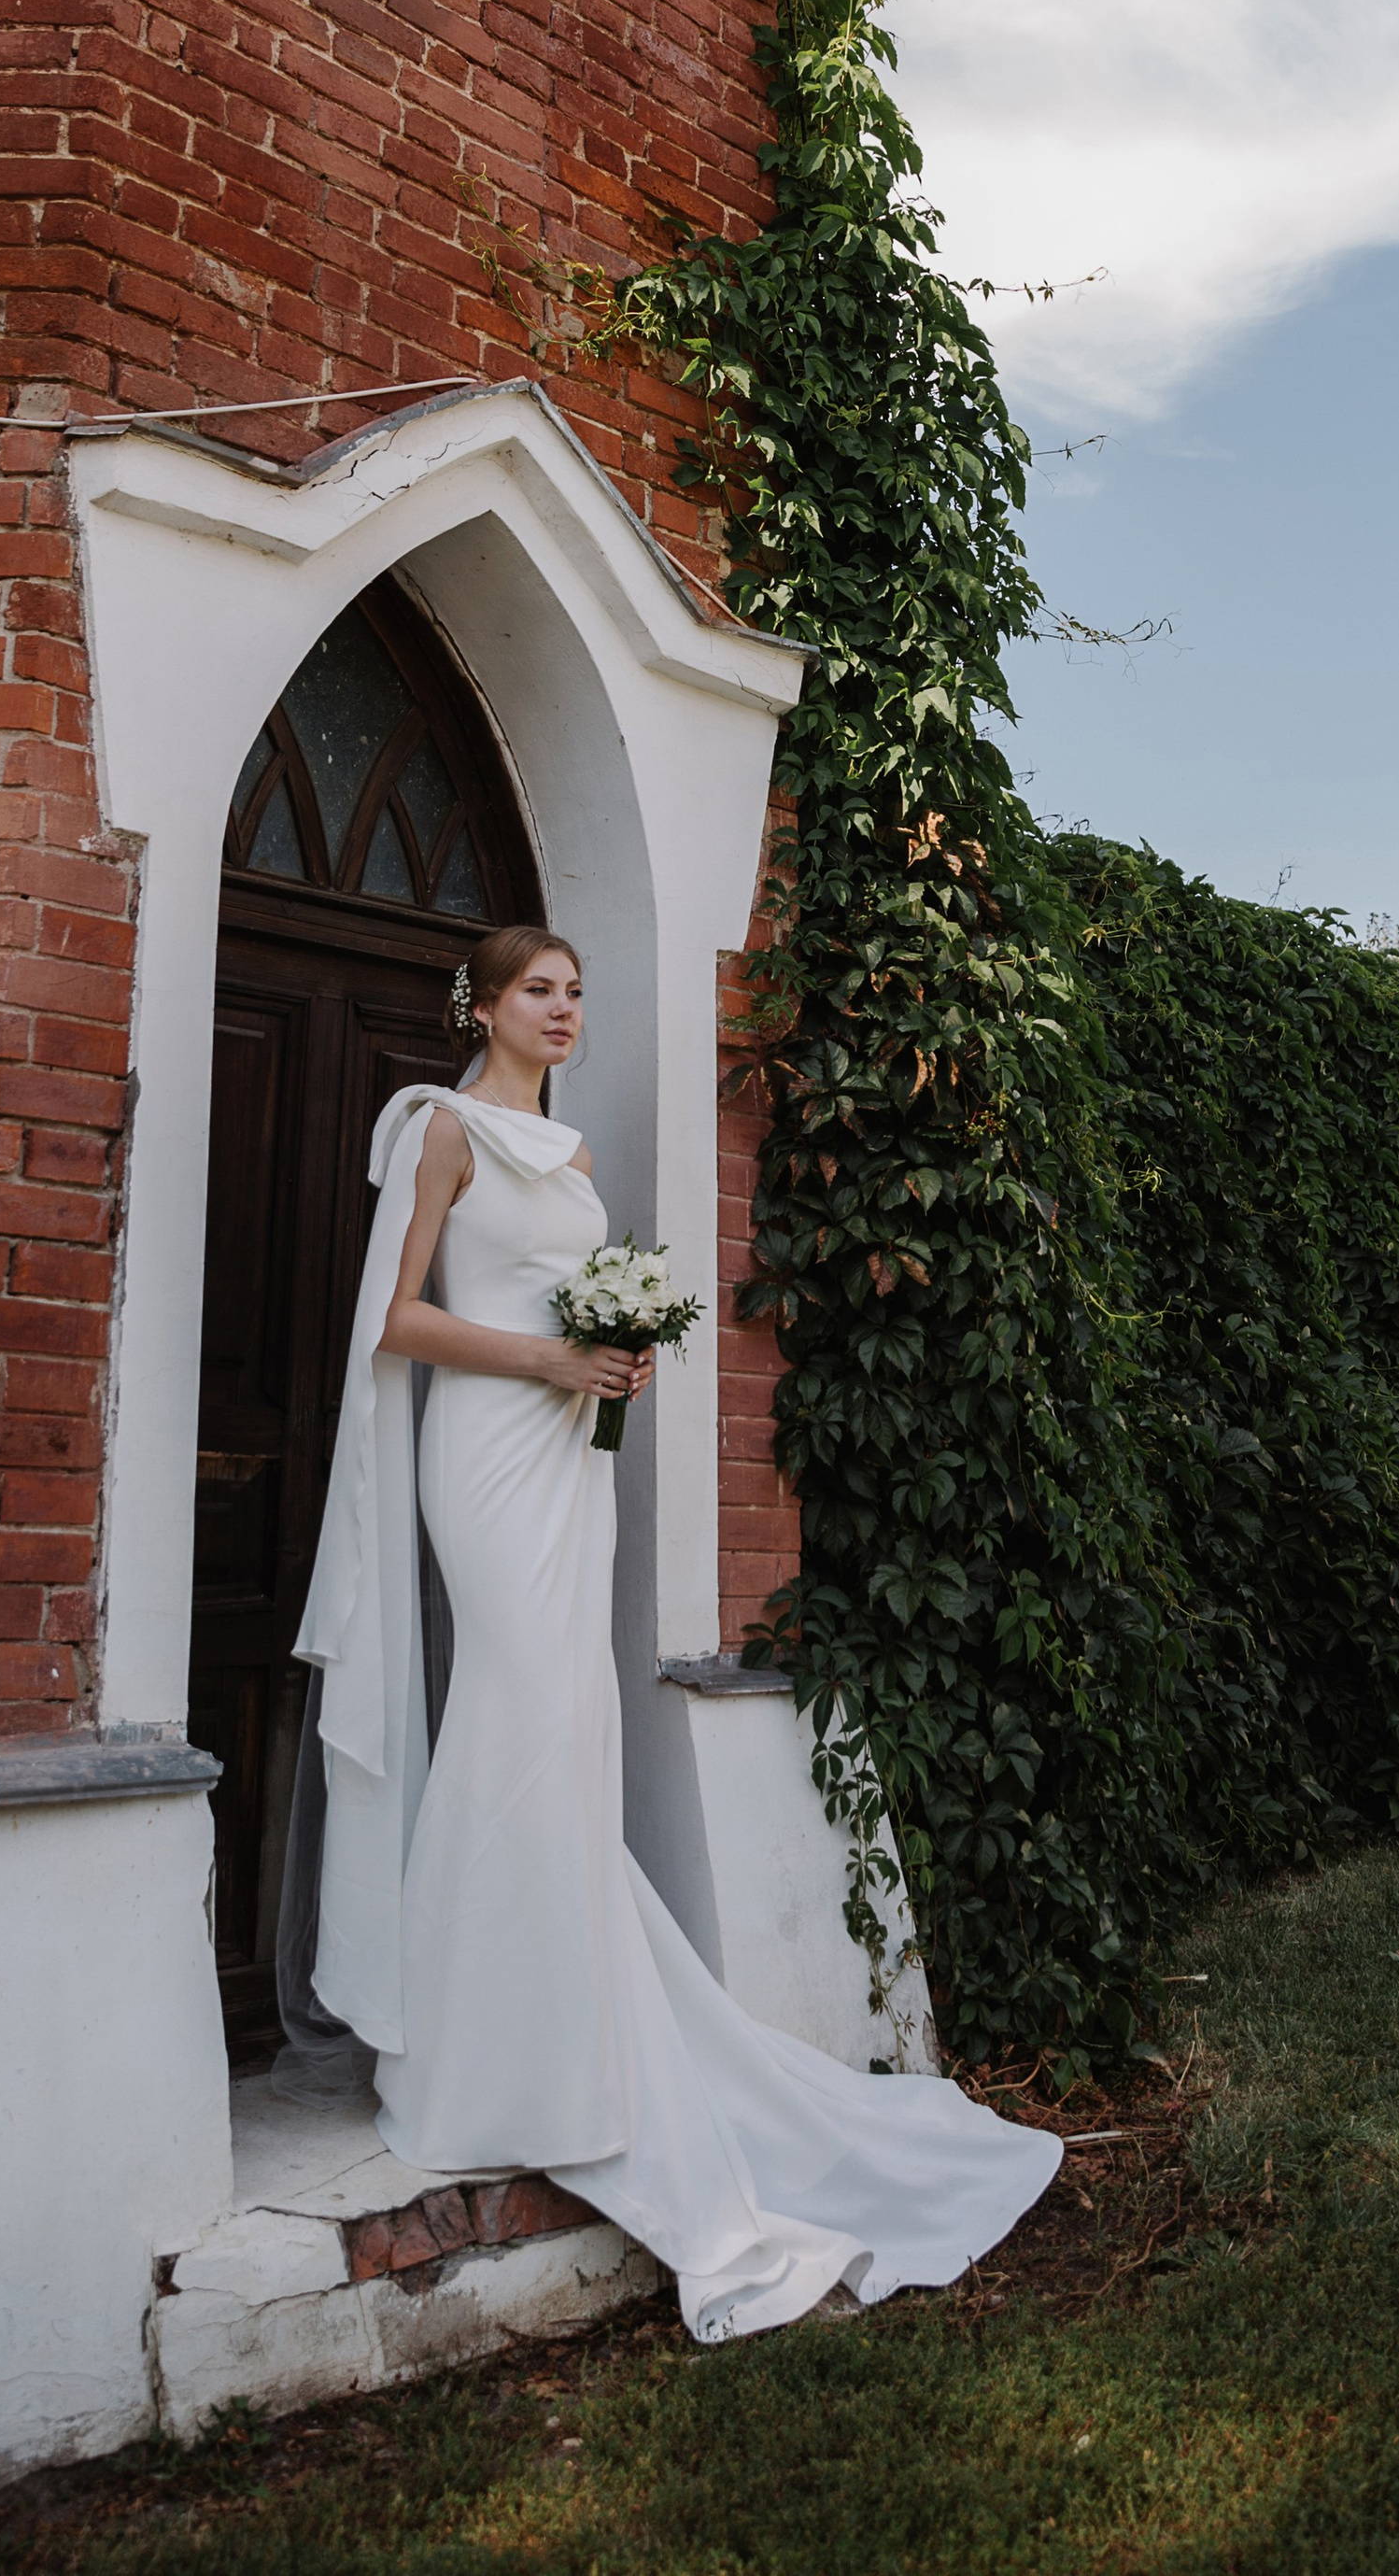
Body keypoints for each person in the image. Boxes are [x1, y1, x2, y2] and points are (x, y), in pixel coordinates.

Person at [283, 921, 1059, 2342]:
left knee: (561, 1724)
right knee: (512, 1708)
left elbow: (566, 1303)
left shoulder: (570, 1158)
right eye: (540, 991)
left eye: (577, 993)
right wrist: (548, 1353)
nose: (565, 1011)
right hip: (486, 1449)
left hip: (575, 1456)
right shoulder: (439, 1130)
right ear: (487, 1002)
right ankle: (481, 2053)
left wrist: (615, 1357)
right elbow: (393, 1319)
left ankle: (539, 2018)